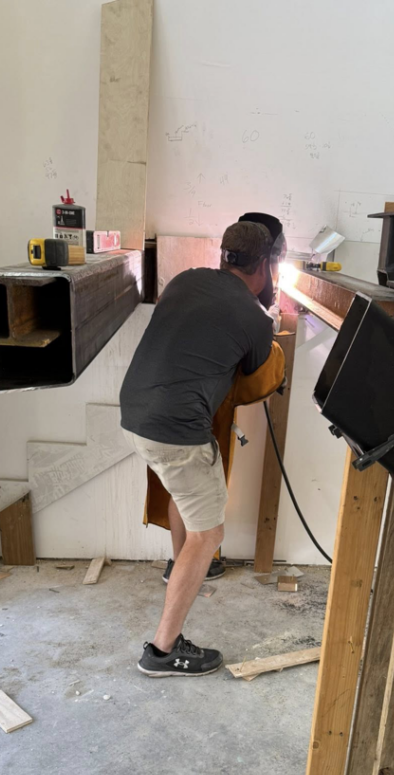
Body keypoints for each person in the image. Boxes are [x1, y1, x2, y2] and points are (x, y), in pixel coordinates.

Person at [120, 216, 286, 677]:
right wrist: (270, 327)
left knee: (185, 496)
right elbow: (256, 381)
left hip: (135, 415)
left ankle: (181, 567)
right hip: (178, 432)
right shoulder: (254, 318)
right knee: (208, 535)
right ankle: (162, 651)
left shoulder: (186, 279)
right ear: (266, 265)